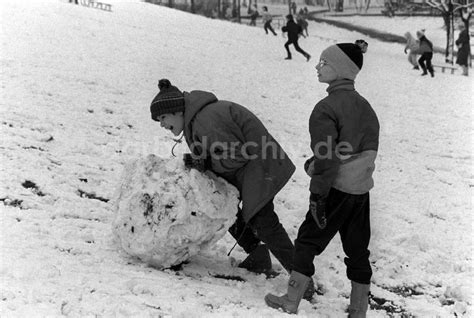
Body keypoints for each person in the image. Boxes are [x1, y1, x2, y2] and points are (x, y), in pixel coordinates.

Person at [150, 79, 315, 299]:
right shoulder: (194, 120)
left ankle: (301, 279)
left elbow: (237, 155)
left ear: (176, 110)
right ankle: (258, 256)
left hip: (260, 167)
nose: (162, 124)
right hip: (251, 170)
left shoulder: (205, 119)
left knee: (264, 223)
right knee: (222, 206)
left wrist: (205, 163)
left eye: (163, 118)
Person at [265, 42, 380, 316]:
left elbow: (327, 158)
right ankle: (358, 310)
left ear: (340, 70)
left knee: (307, 242)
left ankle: (291, 300)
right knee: (358, 250)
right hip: (360, 192)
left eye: (324, 63)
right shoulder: (367, 108)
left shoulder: (326, 108)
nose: (318, 67)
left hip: (335, 190)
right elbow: (360, 151)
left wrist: (318, 194)